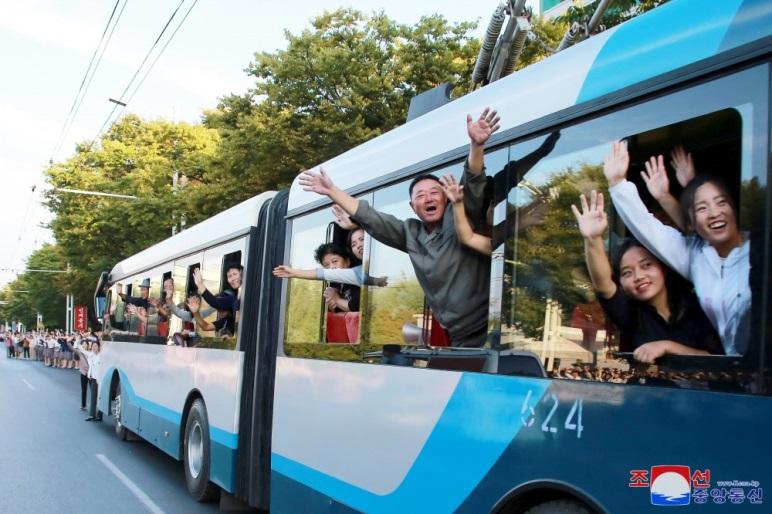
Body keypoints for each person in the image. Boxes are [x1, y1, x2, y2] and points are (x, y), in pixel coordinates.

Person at [297, 109, 500, 347]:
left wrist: (476, 146)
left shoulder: (457, 218)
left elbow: (473, 183)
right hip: (458, 336)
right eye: (420, 196)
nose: (428, 198)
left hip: (490, 328)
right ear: (412, 206)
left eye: (435, 193)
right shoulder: (410, 233)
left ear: (445, 199)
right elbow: (372, 218)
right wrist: (333, 191)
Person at [604, 141, 750, 356]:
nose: (714, 213)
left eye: (721, 203)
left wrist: (689, 187)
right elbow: (648, 228)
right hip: (745, 380)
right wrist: (617, 184)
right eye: (702, 208)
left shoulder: (759, 251)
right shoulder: (697, 258)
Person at [572, 190, 722, 363]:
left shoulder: (697, 306)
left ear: (663, 268)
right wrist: (593, 238)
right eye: (627, 272)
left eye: (646, 265)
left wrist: (667, 346)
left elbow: (718, 359)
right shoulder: (630, 313)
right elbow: (603, 284)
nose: (639, 276)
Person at [192, 264, 241, 337]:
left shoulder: (233, 299)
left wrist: (200, 285)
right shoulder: (226, 321)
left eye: (235, 274)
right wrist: (195, 313)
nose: (219, 311)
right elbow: (205, 327)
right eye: (229, 276)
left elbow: (214, 302)